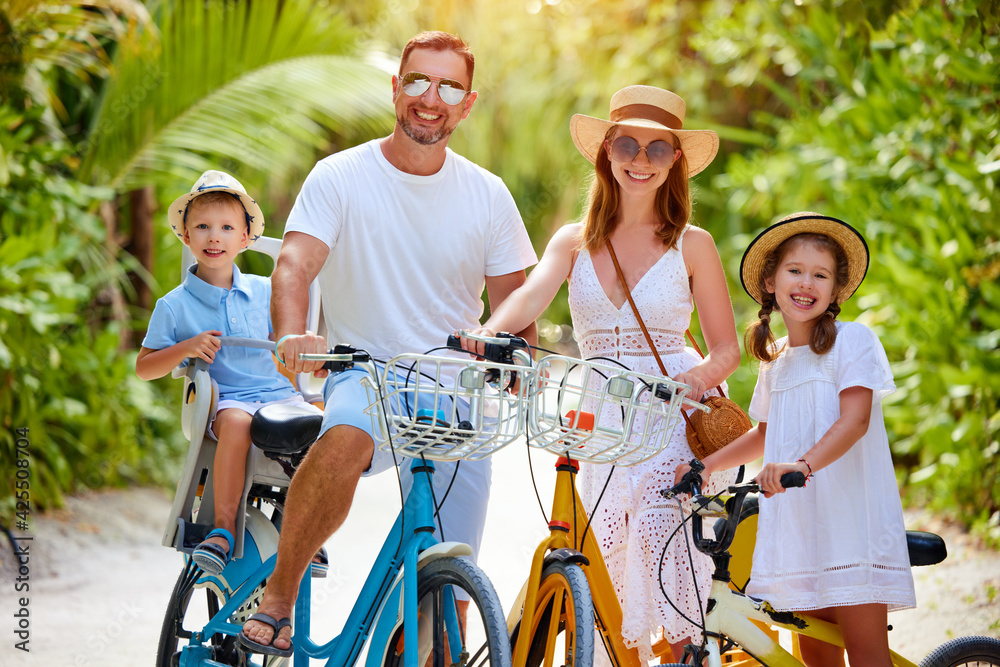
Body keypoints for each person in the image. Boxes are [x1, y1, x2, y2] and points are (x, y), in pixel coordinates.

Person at [238, 31, 537, 657]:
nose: (432, 97)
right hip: (362, 371)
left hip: (454, 387)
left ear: (468, 102)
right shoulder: (341, 176)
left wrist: (520, 354)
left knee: (451, 591)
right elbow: (294, 264)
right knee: (344, 438)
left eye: (449, 86)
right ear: (396, 89)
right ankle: (279, 598)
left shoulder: (488, 194)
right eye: (419, 81)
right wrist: (292, 333)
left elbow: (519, 301)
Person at [459, 85, 740, 662]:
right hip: (601, 411)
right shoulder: (573, 240)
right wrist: (487, 334)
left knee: (661, 524)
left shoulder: (694, 244)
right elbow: (525, 303)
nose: (640, 161)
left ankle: (688, 649)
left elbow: (726, 351)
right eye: (628, 145)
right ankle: (621, 653)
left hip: (669, 405)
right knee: (603, 543)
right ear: (606, 152)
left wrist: (689, 384)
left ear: (675, 161)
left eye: (657, 149)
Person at [675, 212, 916, 666]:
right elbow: (764, 434)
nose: (807, 283)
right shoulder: (777, 361)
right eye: (795, 271)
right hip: (801, 531)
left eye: (820, 275)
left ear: (834, 290)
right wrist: (703, 467)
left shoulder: (853, 342)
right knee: (815, 658)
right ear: (770, 282)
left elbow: (855, 421)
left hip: (850, 527)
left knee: (867, 656)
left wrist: (800, 466)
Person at [136, 170, 326, 577]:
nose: (214, 237)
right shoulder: (175, 305)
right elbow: (144, 366)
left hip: (277, 393)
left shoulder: (264, 291)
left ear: (244, 239)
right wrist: (186, 348)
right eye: (202, 227)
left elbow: (285, 341)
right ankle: (223, 530)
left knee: (325, 423)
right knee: (239, 425)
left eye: (226, 228)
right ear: (186, 236)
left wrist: (299, 346)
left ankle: (304, 529)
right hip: (228, 401)